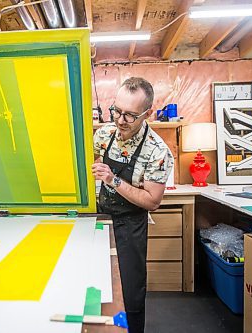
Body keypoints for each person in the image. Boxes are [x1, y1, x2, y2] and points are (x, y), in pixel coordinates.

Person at [91, 77, 174, 333]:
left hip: (130, 225)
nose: (120, 120)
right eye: (116, 110)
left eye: (129, 115)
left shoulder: (157, 151)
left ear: (146, 114)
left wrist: (113, 179)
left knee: (130, 290)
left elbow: (152, 201)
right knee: (95, 283)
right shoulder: (104, 134)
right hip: (98, 218)